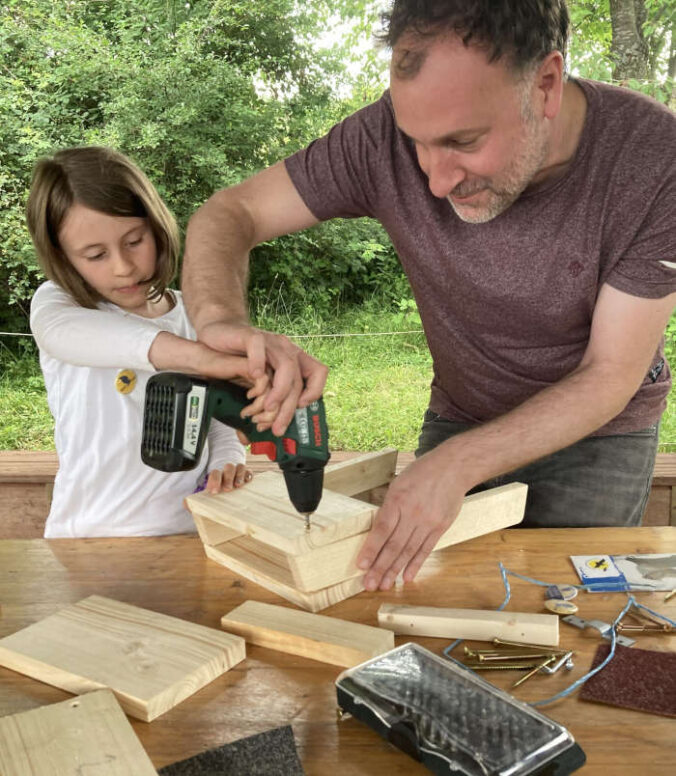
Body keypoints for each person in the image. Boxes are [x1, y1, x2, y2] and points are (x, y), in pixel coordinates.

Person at [180, 0, 676, 590]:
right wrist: (219, 323)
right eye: (417, 141)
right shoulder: (380, 136)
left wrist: (456, 465)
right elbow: (229, 211)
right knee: (439, 602)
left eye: (463, 141)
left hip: (599, 436)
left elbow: (609, 375)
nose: (436, 181)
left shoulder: (654, 159)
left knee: (574, 612)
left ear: (545, 83)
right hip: (461, 413)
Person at [27, 146, 271, 538]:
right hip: (85, 537)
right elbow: (74, 336)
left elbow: (219, 416)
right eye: (95, 255)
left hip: (190, 532)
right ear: (63, 257)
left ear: (156, 226)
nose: (123, 267)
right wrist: (202, 359)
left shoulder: (197, 315)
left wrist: (224, 460)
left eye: (134, 241)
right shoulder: (59, 305)